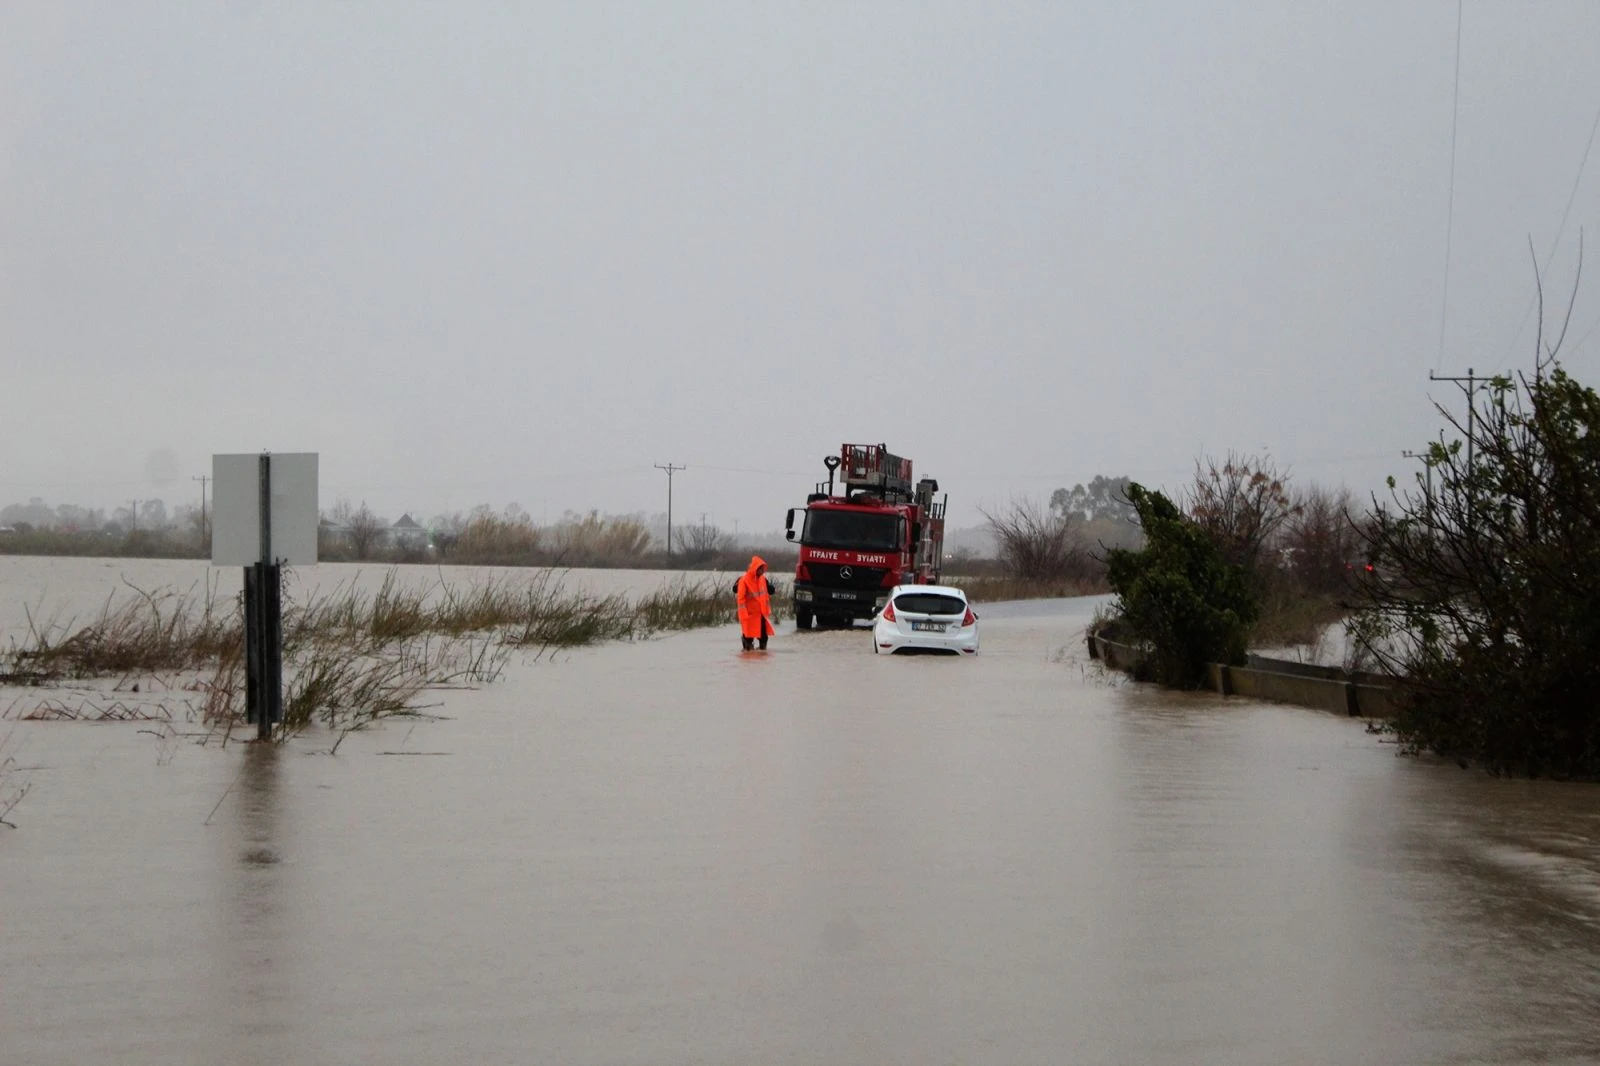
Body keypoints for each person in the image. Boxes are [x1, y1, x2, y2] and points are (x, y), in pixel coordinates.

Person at [734, 555, 775, 651]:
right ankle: (748, 652)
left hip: (760, 614)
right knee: (748, 637)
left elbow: (770, 590)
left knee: (763, 637)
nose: (762, 572)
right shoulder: (743, 580)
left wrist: (771, 589)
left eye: (762, 570)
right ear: (755, 569)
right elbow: (740, 597)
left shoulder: (763, 580)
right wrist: (743, 613)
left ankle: (761, 653)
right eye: (760, 570)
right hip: (749, 614)